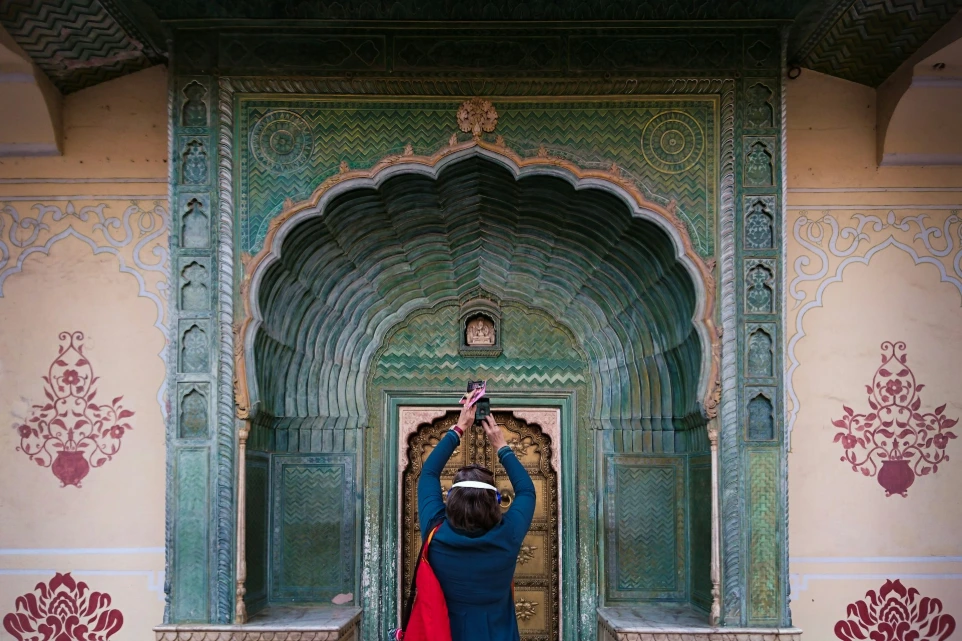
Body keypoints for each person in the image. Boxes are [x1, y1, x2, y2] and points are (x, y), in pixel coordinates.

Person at [417, 401, 536, 641]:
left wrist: (459, 427)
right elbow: (527, 492)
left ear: (450, 500)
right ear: (495, 501)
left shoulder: (436, 531)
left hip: (448, 632)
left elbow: (428, 473)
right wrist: (501, 445)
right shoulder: (508, 534)